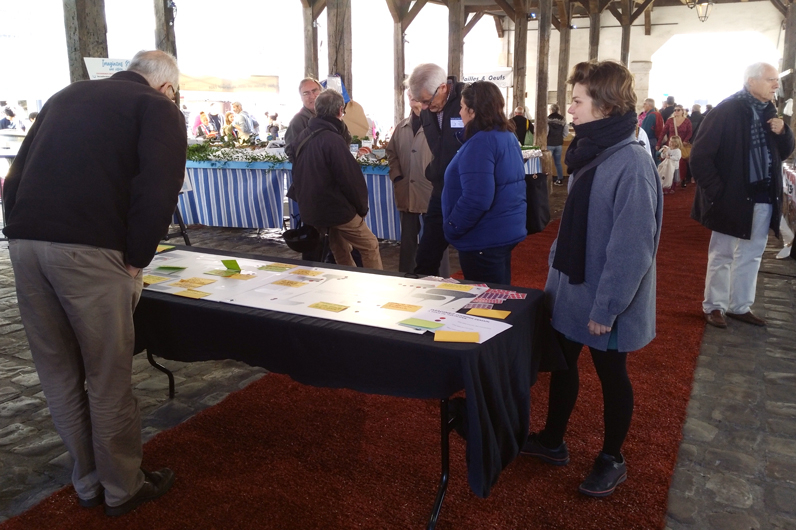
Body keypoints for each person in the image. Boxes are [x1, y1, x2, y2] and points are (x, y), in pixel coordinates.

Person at [2, 50, 186, 516]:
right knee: (107, 378)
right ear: (166, 87)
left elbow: (14, 177)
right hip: (90, 253)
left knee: (59, 373)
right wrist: (138, 258)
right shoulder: (157, 108)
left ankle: (87, 482)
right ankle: (123, 488)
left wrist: (16, 231)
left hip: (26, 246)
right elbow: (159, 185)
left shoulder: (64, 96)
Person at [521, 60, 663, 498]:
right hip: (572, 288)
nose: (571, 108)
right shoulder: (595, 149)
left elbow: (632, 248)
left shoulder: (632, 163)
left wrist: (607, 308)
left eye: (578, 101)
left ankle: (611, 459)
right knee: (564, 366)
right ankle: (552, 441)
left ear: (604, 106)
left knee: (611, 375)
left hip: (606, 300)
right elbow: (578, 227)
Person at [690, 62, 795, 329]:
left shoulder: (769, 112)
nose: (775, 85)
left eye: (775, 80)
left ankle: (739, 305)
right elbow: (700, 157)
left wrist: (784, 132)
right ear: (751, 82)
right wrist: (718, 193)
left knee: (752, 254)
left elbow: (781, 153)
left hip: (762, 195)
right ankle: (714, 306)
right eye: (770, 79)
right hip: (732, 197)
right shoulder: (727, 110)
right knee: (723, 254)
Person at [285, 89, 383, 270]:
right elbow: (351, 179)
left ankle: (345, 283)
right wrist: (361, 208)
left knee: (340, 247)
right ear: (340, 111)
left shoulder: (304, 135)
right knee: (369, 245)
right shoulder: (332, 139)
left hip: (312, 208)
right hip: (335, 208)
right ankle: (375, 285)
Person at [442, 81, 526, 284]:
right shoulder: (506, 135)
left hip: (483, 237)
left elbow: (477, 198)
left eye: (462, 107)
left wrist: (452, 226)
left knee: (485, 307)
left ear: (472, 111)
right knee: (499, 296)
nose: (460, 112)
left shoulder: (480, 143)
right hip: (500, 231)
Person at [407, 63, 465, 276]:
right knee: (426, 256)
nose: (423, 107)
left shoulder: (466, 103)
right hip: (440, 189)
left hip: (466, 190)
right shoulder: (427, 109)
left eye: (425, 100)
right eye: (419, 101)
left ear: (442, 88)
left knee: (472, 257)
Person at [385, 90, 434, 273]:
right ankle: (405, 277)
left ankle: (435, 276)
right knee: (408, 240)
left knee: (435, 239)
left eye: (417, 91)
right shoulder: (401, 127)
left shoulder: (435, 125)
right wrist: (397, 176)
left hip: (430, 190)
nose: (413, 95)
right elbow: (391, 153)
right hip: (406, 189)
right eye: (410, 93)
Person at [285, 78, 351, 147]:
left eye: (314, 91)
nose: (312, 96)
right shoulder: (297, 122)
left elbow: (347, 140)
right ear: (301, 98)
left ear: (322, 93)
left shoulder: (333, 116)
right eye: (306, 93)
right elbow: (291, 150)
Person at [548, 104, 567, 185]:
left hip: (549, 143)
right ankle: (560, 180)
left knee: (547, 163)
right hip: (558, 144)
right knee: (558, 163)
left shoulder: (547, 119)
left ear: (551, 110)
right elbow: (566, 132)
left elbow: (546, 131)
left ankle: (547, 180)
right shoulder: (563, 119)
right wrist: (560, 137)